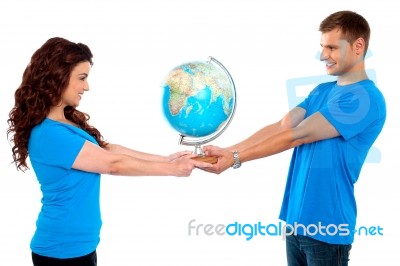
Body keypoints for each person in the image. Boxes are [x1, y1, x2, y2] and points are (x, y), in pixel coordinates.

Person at [202, 10, 386, 265]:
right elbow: (283, 126)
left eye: (332, 47)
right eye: (322, 47)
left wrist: (235, 158)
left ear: (358, 46)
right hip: (295, 224)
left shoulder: (365, 99)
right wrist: (227, 150)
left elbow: (297, 136)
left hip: (328, 229)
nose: (323, 55)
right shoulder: (322, 90)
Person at [7, 37, 211, 266]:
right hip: (61, 253)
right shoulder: (49, 134)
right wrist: (171, 170)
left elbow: (108, 150)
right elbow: (112, 164)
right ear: (58, 76)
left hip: (80, 248)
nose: (87, 87)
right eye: (82, 78)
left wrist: (167, 158)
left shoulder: (66, 122)